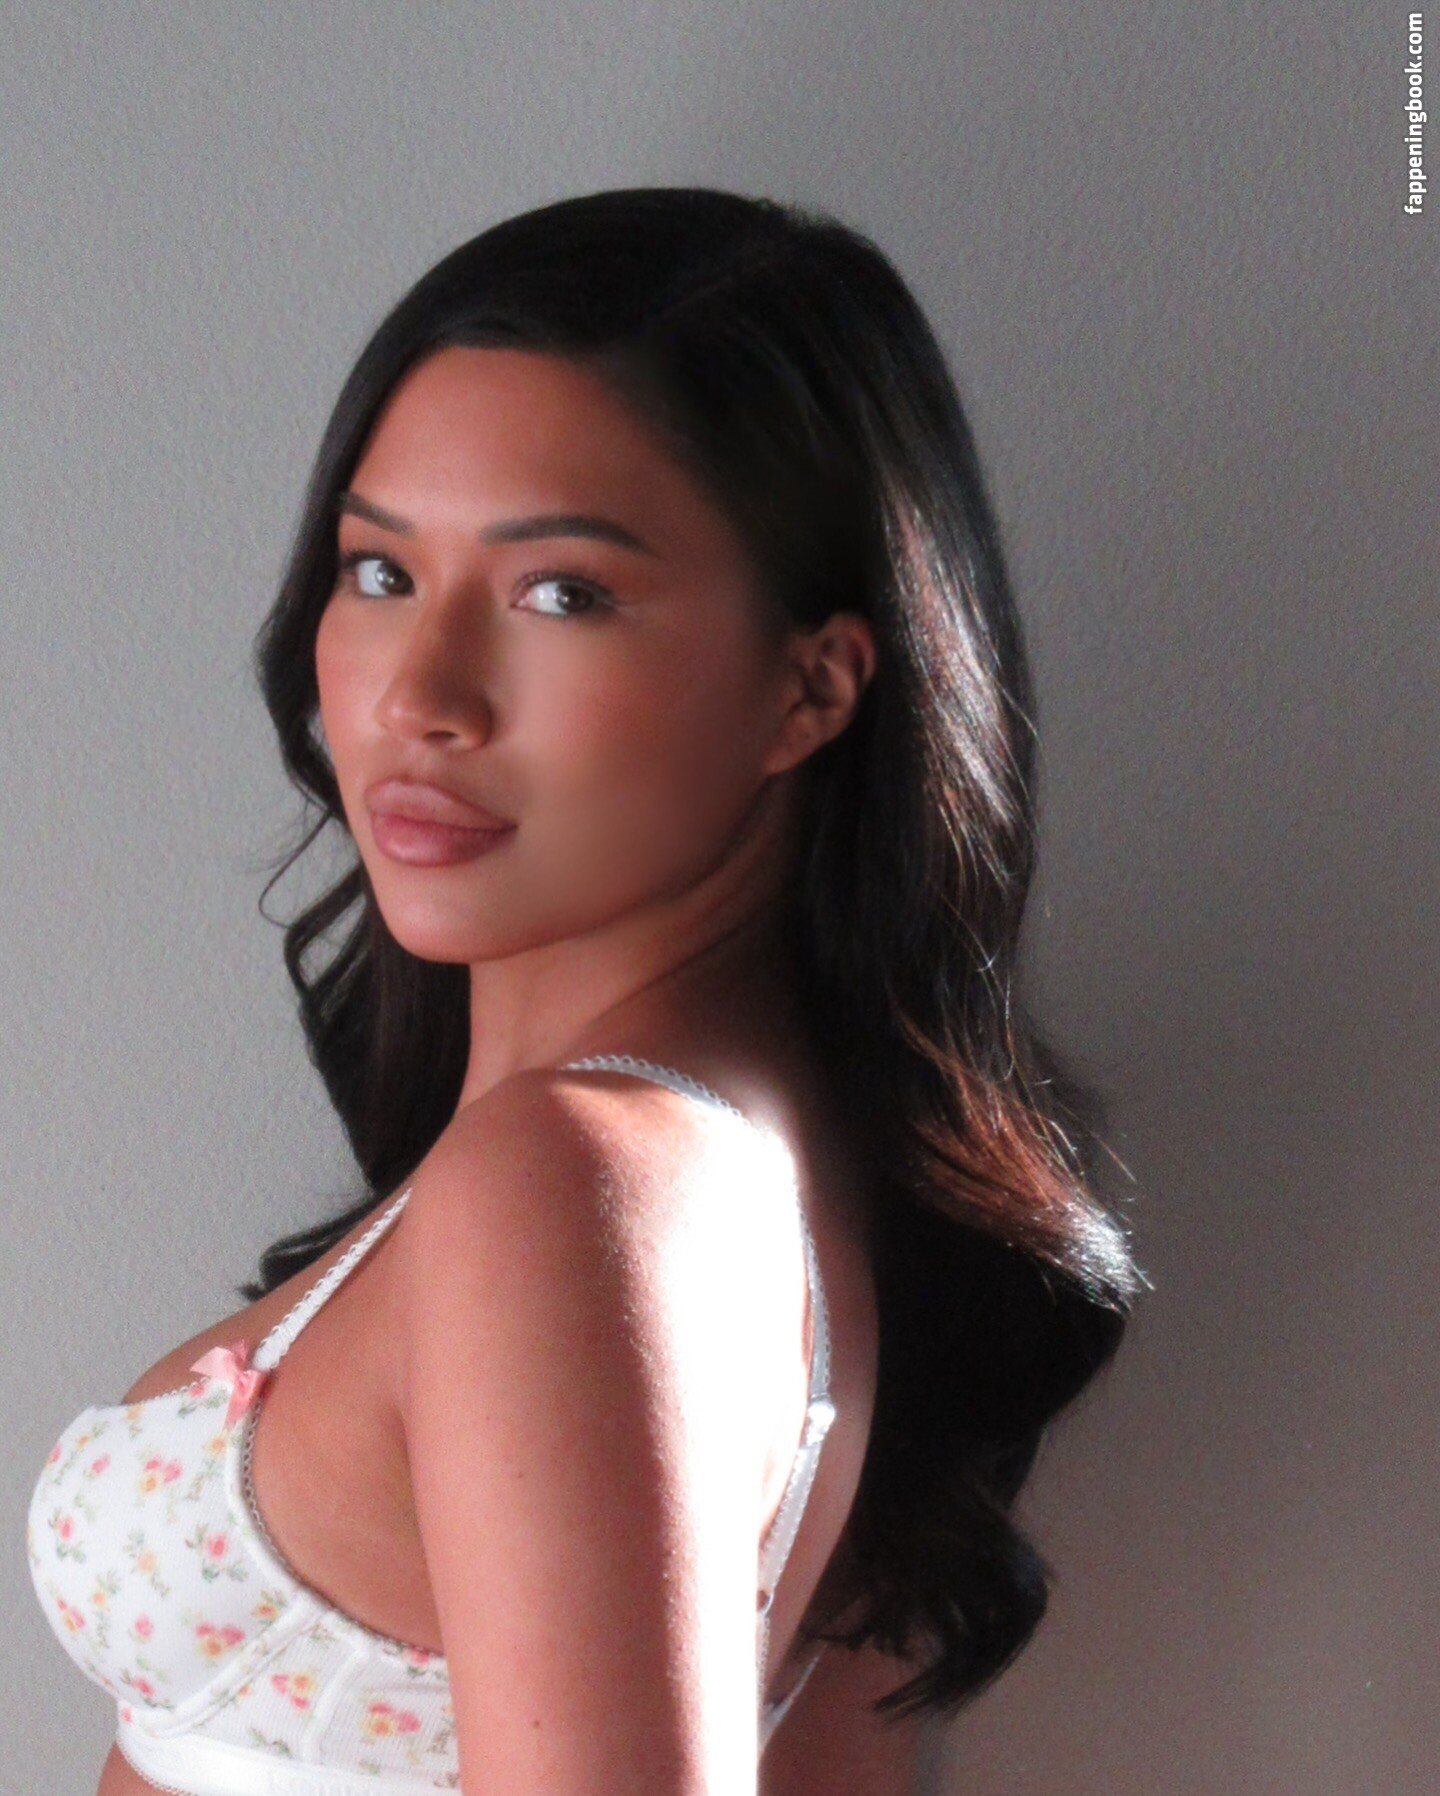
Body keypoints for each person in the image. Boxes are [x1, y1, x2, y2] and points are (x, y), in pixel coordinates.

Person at [27, 186, 1142, 1796]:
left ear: (811, 685)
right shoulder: (746, 1165)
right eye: (379, 571)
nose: (422, 697)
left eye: (563, 593)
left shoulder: (575, 1187)